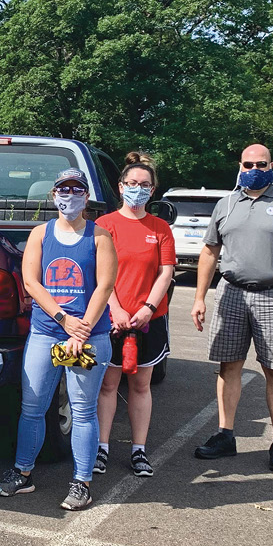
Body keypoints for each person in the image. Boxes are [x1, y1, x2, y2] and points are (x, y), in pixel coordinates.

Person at [0, 168, 117, 511]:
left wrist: (83, 330)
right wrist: (64, 320)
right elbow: (32, 282)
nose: (70, 196)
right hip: (47, 333)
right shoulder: (40, 234)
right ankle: (22, 474)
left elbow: (104, 287)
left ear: (86, 197)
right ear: (53, 195)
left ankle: (82, 483)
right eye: (64, 189)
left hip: (89, 337)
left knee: (83, 409)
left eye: (77, 190)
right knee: (32, 408)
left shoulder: (100, 237)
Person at [190, 144, 273, 473]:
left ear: (271, 164)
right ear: (240, 165)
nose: (254, 168)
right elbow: (209, 252)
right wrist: (199, 297)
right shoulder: (226, 204)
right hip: (232, 293)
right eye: (248, 163)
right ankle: (225, 435)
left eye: (261, 163)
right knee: (228, 366)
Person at [94, 152, 176, 478]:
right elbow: (101, 272)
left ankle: (139, 450)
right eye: (132, 184)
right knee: (108, 385)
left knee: (141, 386)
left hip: (148, 321)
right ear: (120, 187)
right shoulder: (104, 225)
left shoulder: (160, 228)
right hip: (112, 319)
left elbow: (166, 272)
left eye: (144, 185)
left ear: (152, 190)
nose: (137, 189)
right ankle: (101, 448)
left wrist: (147, 309)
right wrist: (115, 308)